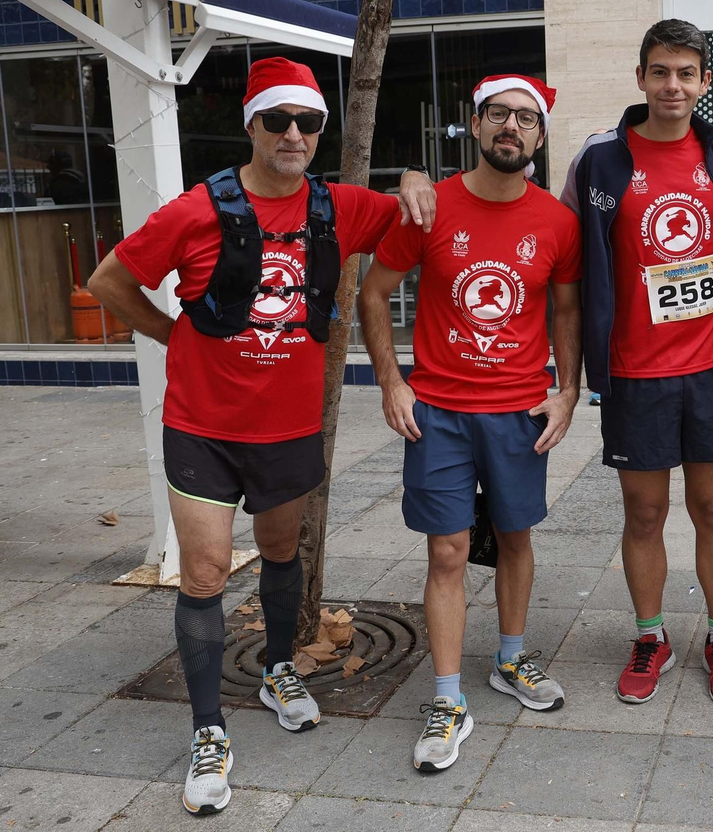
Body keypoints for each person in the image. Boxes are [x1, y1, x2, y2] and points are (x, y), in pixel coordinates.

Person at [89, 57, 436, 815]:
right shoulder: (196, 210)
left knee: (282, 550)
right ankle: (209, 730)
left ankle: (280, 667)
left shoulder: (338, 207)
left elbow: (413, 214)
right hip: (202, 428)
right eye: (276, 119)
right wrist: (170, 334)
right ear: (250, 124)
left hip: (288, 429)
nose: (293, 134)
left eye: (308, 122)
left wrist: (414, 170)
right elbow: (108, 279)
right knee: (207, 572)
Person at [358, 73, 582, 773]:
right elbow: (373, 292)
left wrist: (567, 391)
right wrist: (392, 381)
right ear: (476, 126)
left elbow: (566, 311)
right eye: (498, 115)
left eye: (524, 118)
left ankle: (511, 659)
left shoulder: (557, 221)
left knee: (514, 537)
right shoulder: (430, 206)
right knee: (448, 551)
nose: (510, 127)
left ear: (539, 136)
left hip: (519, 409)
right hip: (442, 412)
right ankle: (448, 697)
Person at [562, 19, 713, 707]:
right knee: (643, 513)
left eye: (686, 73)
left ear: (705, 81)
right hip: (636, 371)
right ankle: (651, 636)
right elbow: (566, 252)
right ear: (640, 77)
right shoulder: (600, 158)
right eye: (660, 71)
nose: (672, 85)